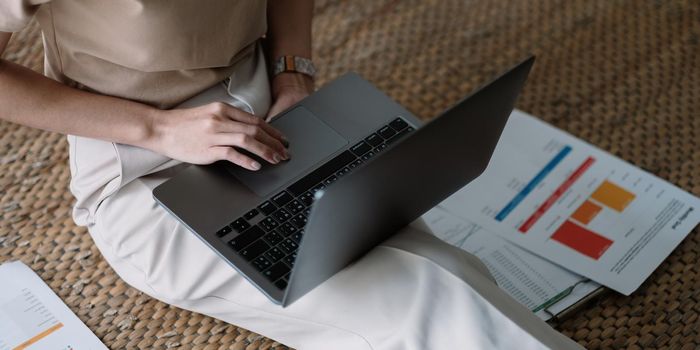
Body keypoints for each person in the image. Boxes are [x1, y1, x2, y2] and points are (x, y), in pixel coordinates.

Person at [0, 1, 582, 349]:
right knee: (427, 300)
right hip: (148, 172)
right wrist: (159, 129)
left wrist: (293, 72)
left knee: (452, 268)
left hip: (278, 120)